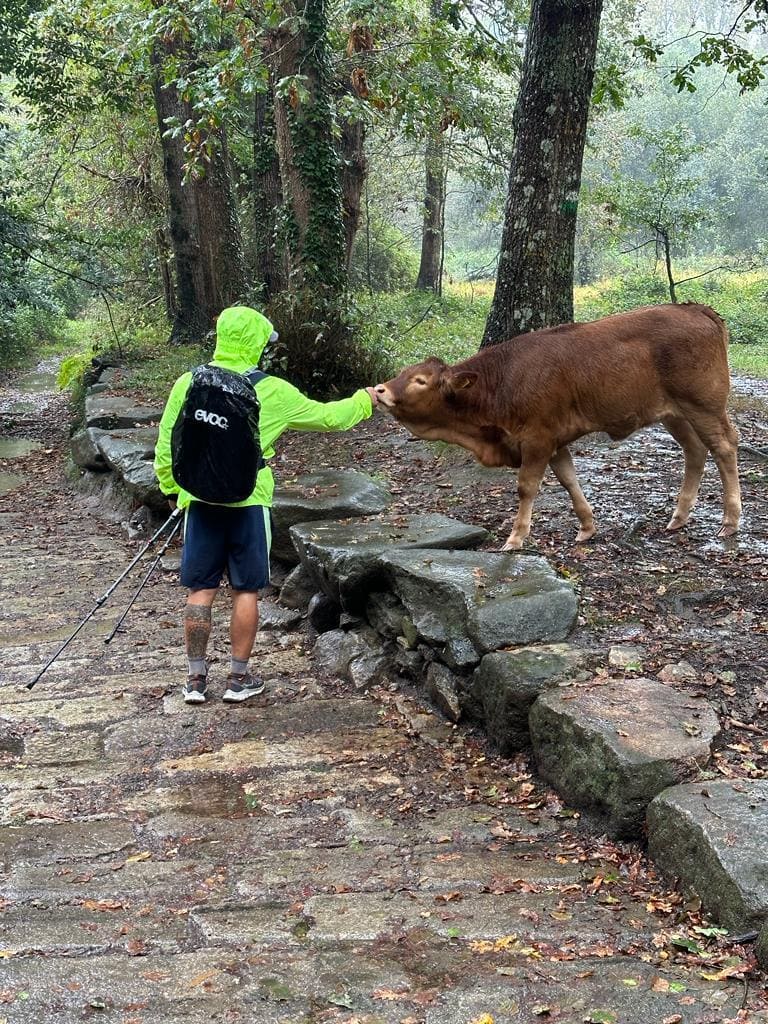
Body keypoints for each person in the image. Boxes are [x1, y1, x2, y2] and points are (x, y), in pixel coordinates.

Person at [154, 305, 379, 705]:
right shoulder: (272, 390)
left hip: (200, 502)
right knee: (246, 591)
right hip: (249, 502)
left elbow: (167, 444)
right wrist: (364, 399)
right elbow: (329, 418)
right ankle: (238, 681)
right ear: (258, 342)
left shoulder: (188, 383)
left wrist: (174, 490)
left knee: (200, 589)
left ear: (220, 336)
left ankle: (194, 680)